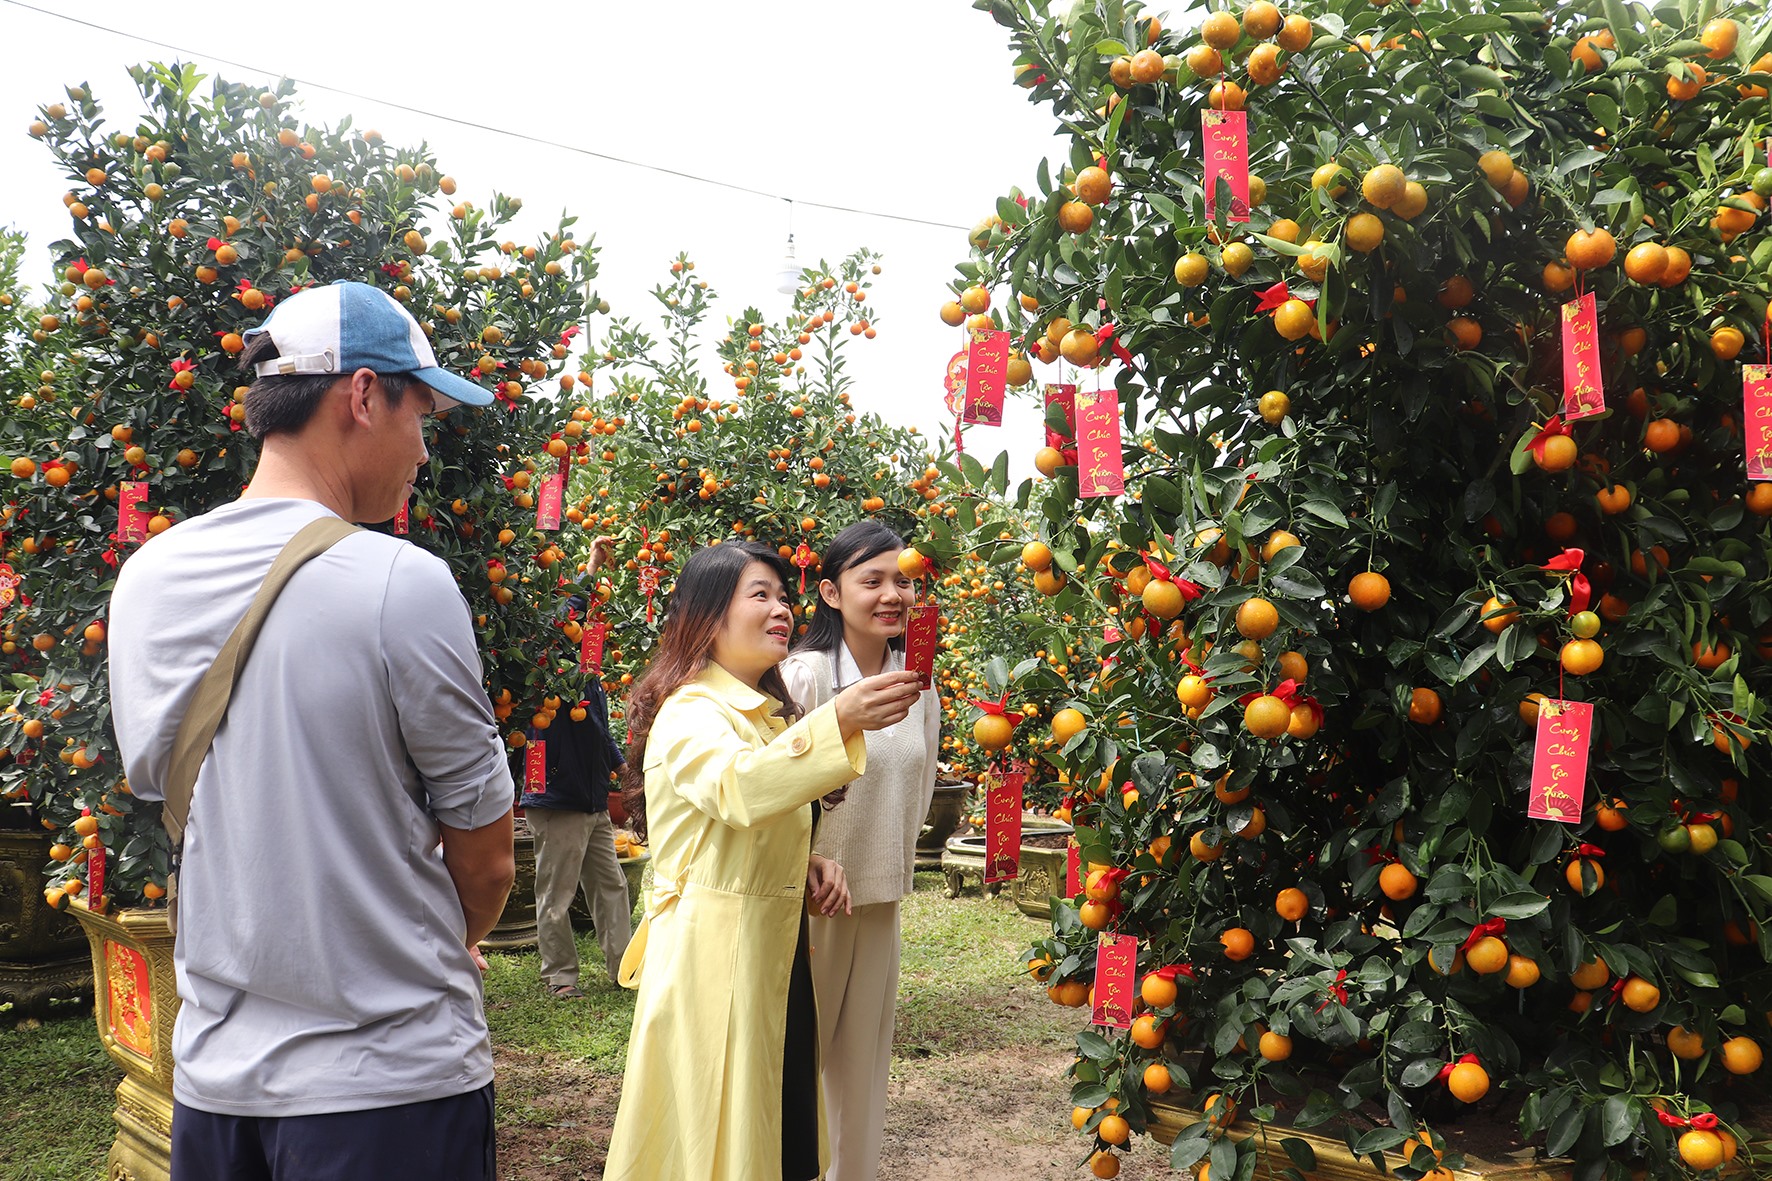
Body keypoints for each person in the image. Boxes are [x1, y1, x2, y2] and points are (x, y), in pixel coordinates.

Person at [107, 281, 516, 1181]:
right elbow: (485, 862)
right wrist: (451, 938)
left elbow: (166, 788)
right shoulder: (399, 581)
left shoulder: (147, 575)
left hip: (215, 1089)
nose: (422, 447)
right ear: (363, 395)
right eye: (424, 411)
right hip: (390, 1092)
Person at [604, 542, 923, 1181]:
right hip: (714, 959)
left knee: (774, 1128)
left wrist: (804, 861)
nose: (781, 608)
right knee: (716, 1133)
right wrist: (840, 718)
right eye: (760, 595)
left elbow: (747, 819)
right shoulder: (693, 710)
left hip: (770, 957)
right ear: (707, 614)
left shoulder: (759, 715)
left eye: (783, 596)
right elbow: (740, 789)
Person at [781, 521, 941, 1181]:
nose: (891, 594)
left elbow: (923, 783)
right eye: (871, 579)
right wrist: (804, 865)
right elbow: (776, 783)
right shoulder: (806, 675)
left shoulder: (917, 683)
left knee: (862, 1072)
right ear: (830, 591)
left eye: (900, 579)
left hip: (880, 899)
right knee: (796, 1069)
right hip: (807, 905)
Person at [526, 552, 634, 997]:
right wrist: (590, 569)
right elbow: (567, 608)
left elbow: (596, 732)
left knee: (611, 887)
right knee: (557, 894)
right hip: (558, 797)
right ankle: (560, 976)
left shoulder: (587, 678)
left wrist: (622, 767)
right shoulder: (547, 670)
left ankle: (624, 970)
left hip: (592, 800)